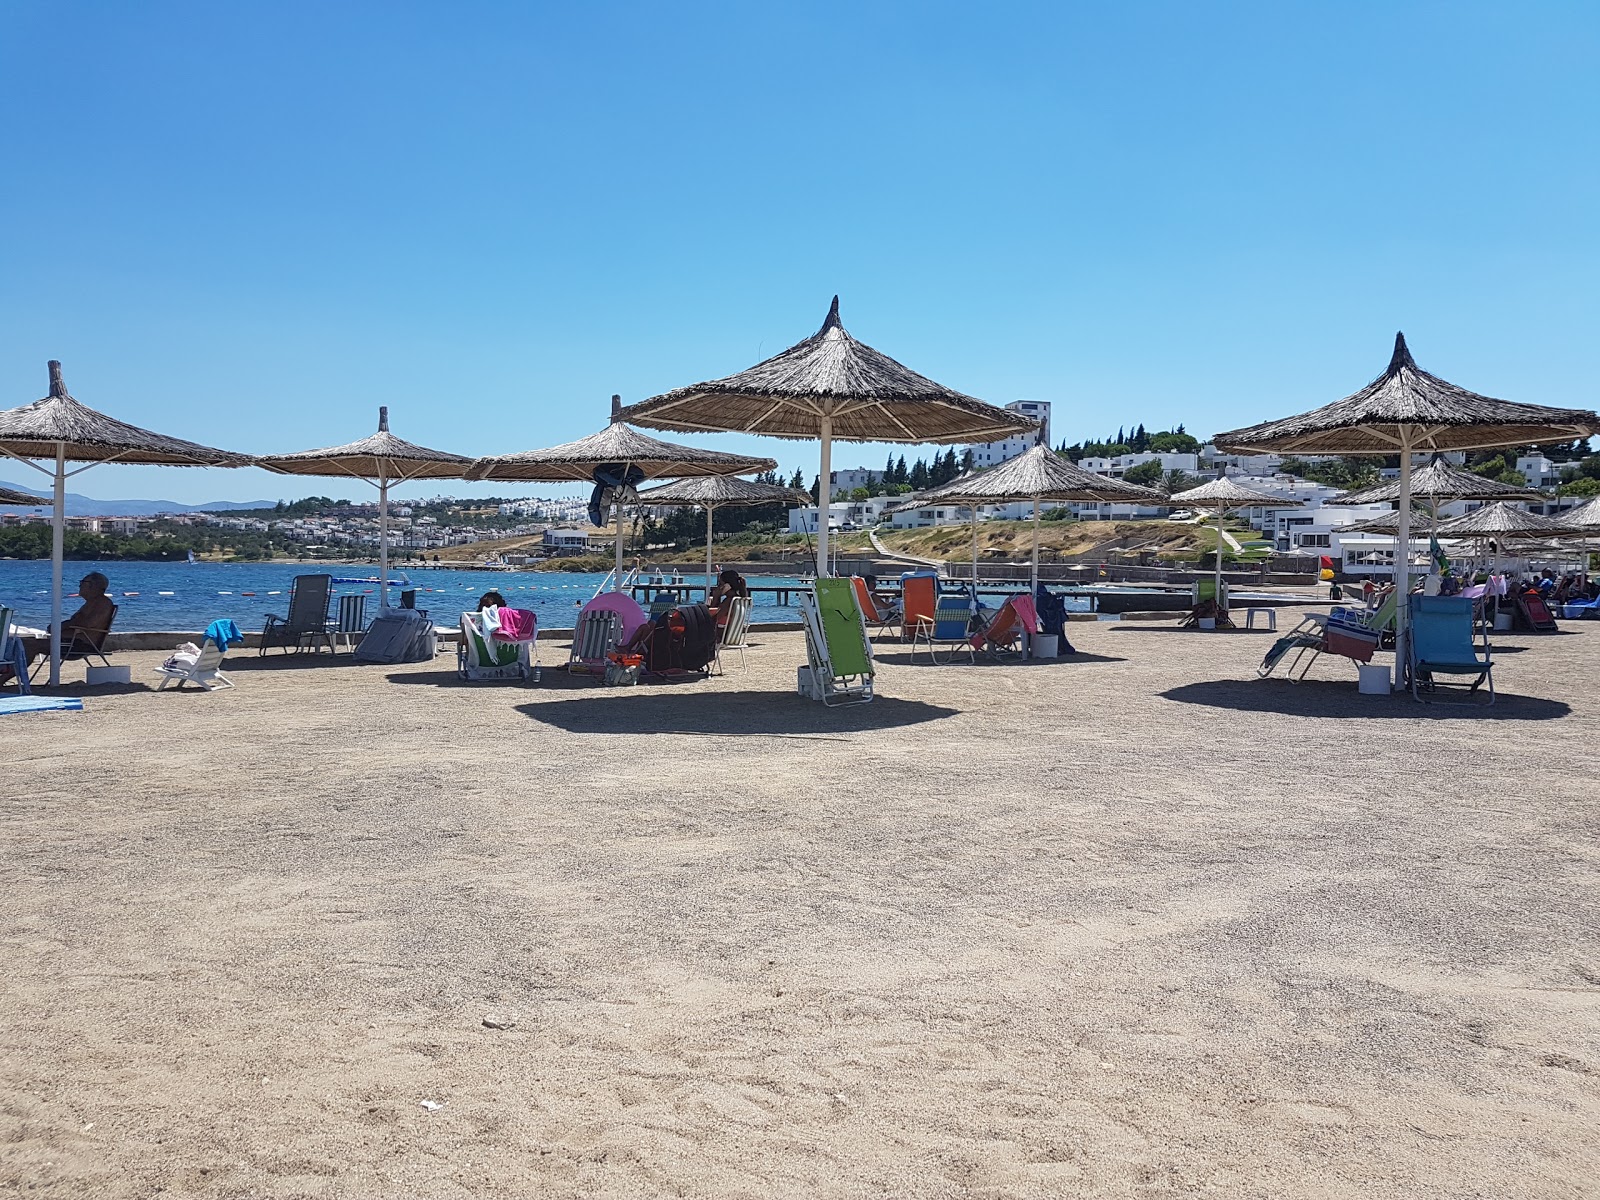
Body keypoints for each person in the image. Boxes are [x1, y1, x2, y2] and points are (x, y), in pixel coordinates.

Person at [20, 571, 116, 664]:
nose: (80, 585)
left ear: (95, 586)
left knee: (29, 645)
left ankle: (9, 676)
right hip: (71, 642)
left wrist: (63, 626)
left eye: (83, 582)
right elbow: (79, 622)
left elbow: (87, 624)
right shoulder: (93, 603)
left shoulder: (102, 603)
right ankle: (9, 673)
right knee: (23, 643)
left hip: (79, 645)